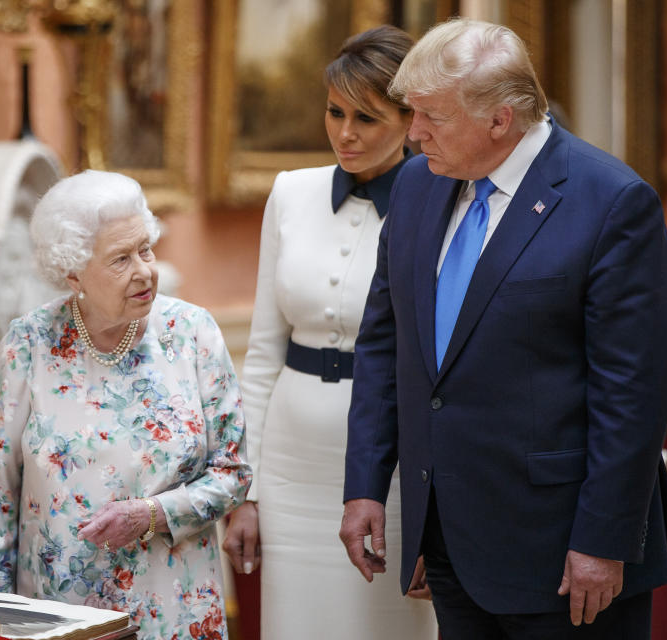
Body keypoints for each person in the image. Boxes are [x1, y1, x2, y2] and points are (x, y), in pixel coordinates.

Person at [339, 17, 667, 640]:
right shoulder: (420, 186)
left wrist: (602, 540)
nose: (413, 135)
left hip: (564, 556)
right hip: (448, 541)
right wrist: (366, 483)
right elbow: (386, 343)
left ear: (500, 120)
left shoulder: (611, 201)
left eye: (431, 117)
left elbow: (632, 397)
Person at [222, 25, 436, 639]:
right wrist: (247, 490)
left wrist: (436, 517)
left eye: (366, 118)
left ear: (408, 119)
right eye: (335, 112)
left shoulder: (442, 202)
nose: (345, 133)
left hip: (391, 467)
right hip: (289, 462)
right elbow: (262, 355)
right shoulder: (291, 193)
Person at [0, 170, 251, 640]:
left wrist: (152, 514)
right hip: (61, 612)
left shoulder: (192, 333)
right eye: (121, 259)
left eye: (146, 249)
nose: (144, 270)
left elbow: (233, 474)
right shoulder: (28, 345)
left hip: (175, 607)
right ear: (74, 271)